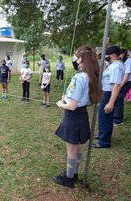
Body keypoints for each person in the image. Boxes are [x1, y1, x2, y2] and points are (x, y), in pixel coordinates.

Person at [53, 46, 101, 188]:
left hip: (73, 117)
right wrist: (67, 97)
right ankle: (74, 173)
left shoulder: (79, 77)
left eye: (75, 57)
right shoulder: (90, 75)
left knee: (71, 151)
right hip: (82, 115)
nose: (74, 60)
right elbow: (80, 98)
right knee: (78, 149)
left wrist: (61, 104)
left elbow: (72, 106)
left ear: (82, 59)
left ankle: (69, 178)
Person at [93, 45, 125, 148]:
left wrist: (111, 102)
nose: (105, 56)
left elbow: (116, 85)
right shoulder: (112, 64)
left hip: (109, 94)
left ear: (112, 55)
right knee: (102, 116)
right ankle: (101, 135)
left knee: (106, 117)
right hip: (105, 93)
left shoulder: (117, 66)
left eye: (106, 54)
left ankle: (104, 142)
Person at [113, 49, 131, 126]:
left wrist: (120, 85)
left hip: (125, 83)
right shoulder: (121, 60)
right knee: (115, 99)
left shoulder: (129, 61)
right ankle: (114, 116)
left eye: (120, 54)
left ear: (124, 53)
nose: (119, 56)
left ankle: (118, 120)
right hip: (119, 83)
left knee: (119, 99)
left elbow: (127, 74)